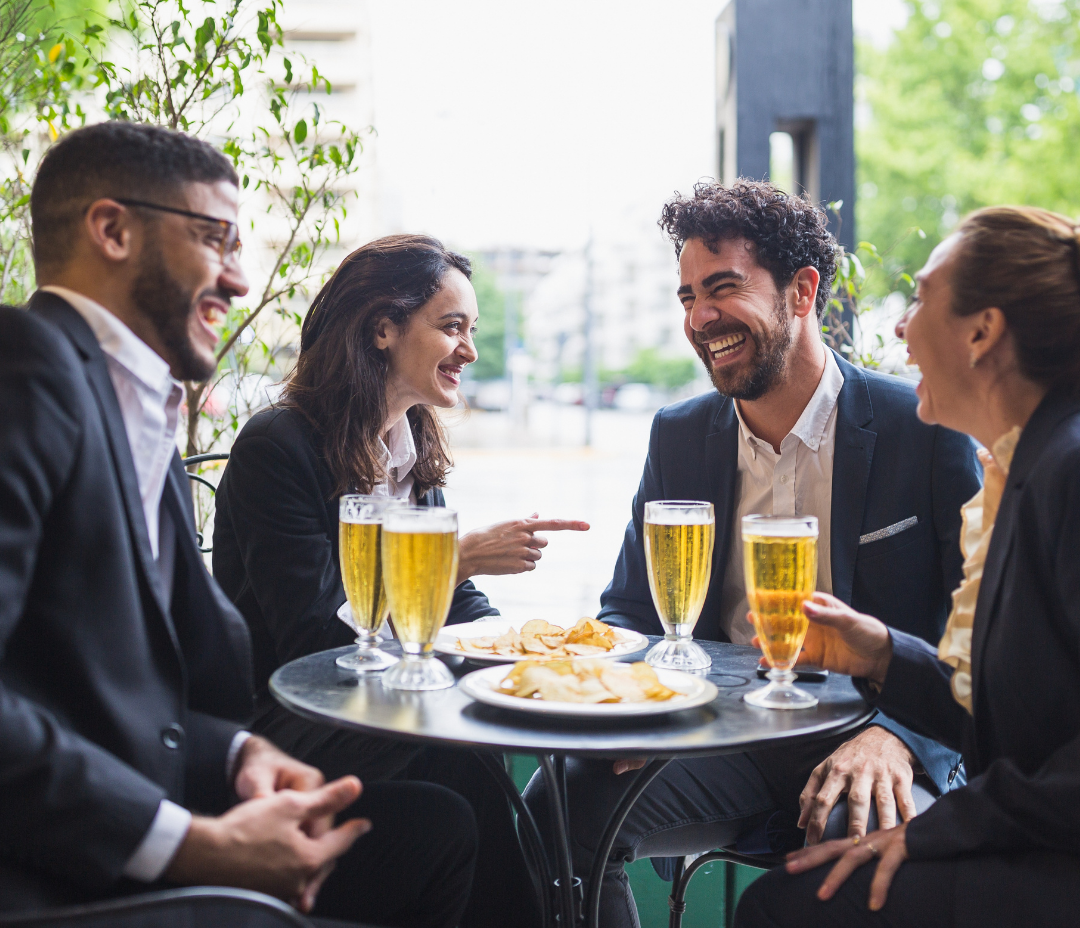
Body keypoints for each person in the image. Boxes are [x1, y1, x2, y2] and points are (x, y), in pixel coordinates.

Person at [0, 121, 477, 928]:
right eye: (216, 239)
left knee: (446, 824)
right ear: (112, 229)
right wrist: (183, 843)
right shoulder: (27, 363)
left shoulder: (133, 409)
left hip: (167, 795)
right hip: (62, 875)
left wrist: (238, 755)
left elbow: (112, 681)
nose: (240, 278)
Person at [524, 179, 982, 928]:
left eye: (723, 288)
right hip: (721, 733)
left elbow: (969, 634)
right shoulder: (679, 433)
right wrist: (644, 705)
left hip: (873, 730)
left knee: (849, 848)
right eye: (686, 297)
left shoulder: (923, 428)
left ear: (802, 292)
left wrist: (895, 737)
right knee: (558, 805)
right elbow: (631, 611)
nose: (700, 318)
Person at [212, 233, 589, 928]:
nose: (470, 350)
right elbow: (316, 641)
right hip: (286, 720)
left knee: (480, 741)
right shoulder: (278, 446)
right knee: (459, 755)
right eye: (453, 327)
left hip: (380, 712)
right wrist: (453, 559)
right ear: (382, 328)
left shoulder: (410, 449)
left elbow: (454, 609)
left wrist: (538, 653)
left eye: (471, 330)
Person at [735, 205, 1080, 928]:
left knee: (786, 909)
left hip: (1054, 859)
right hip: (1035, 836)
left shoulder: (1069, 471)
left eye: (919, 299)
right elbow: (1009, 708)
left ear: (982, 333)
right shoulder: (1026, 466)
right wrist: (884, 654)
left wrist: (937, 831)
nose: (897, 328)